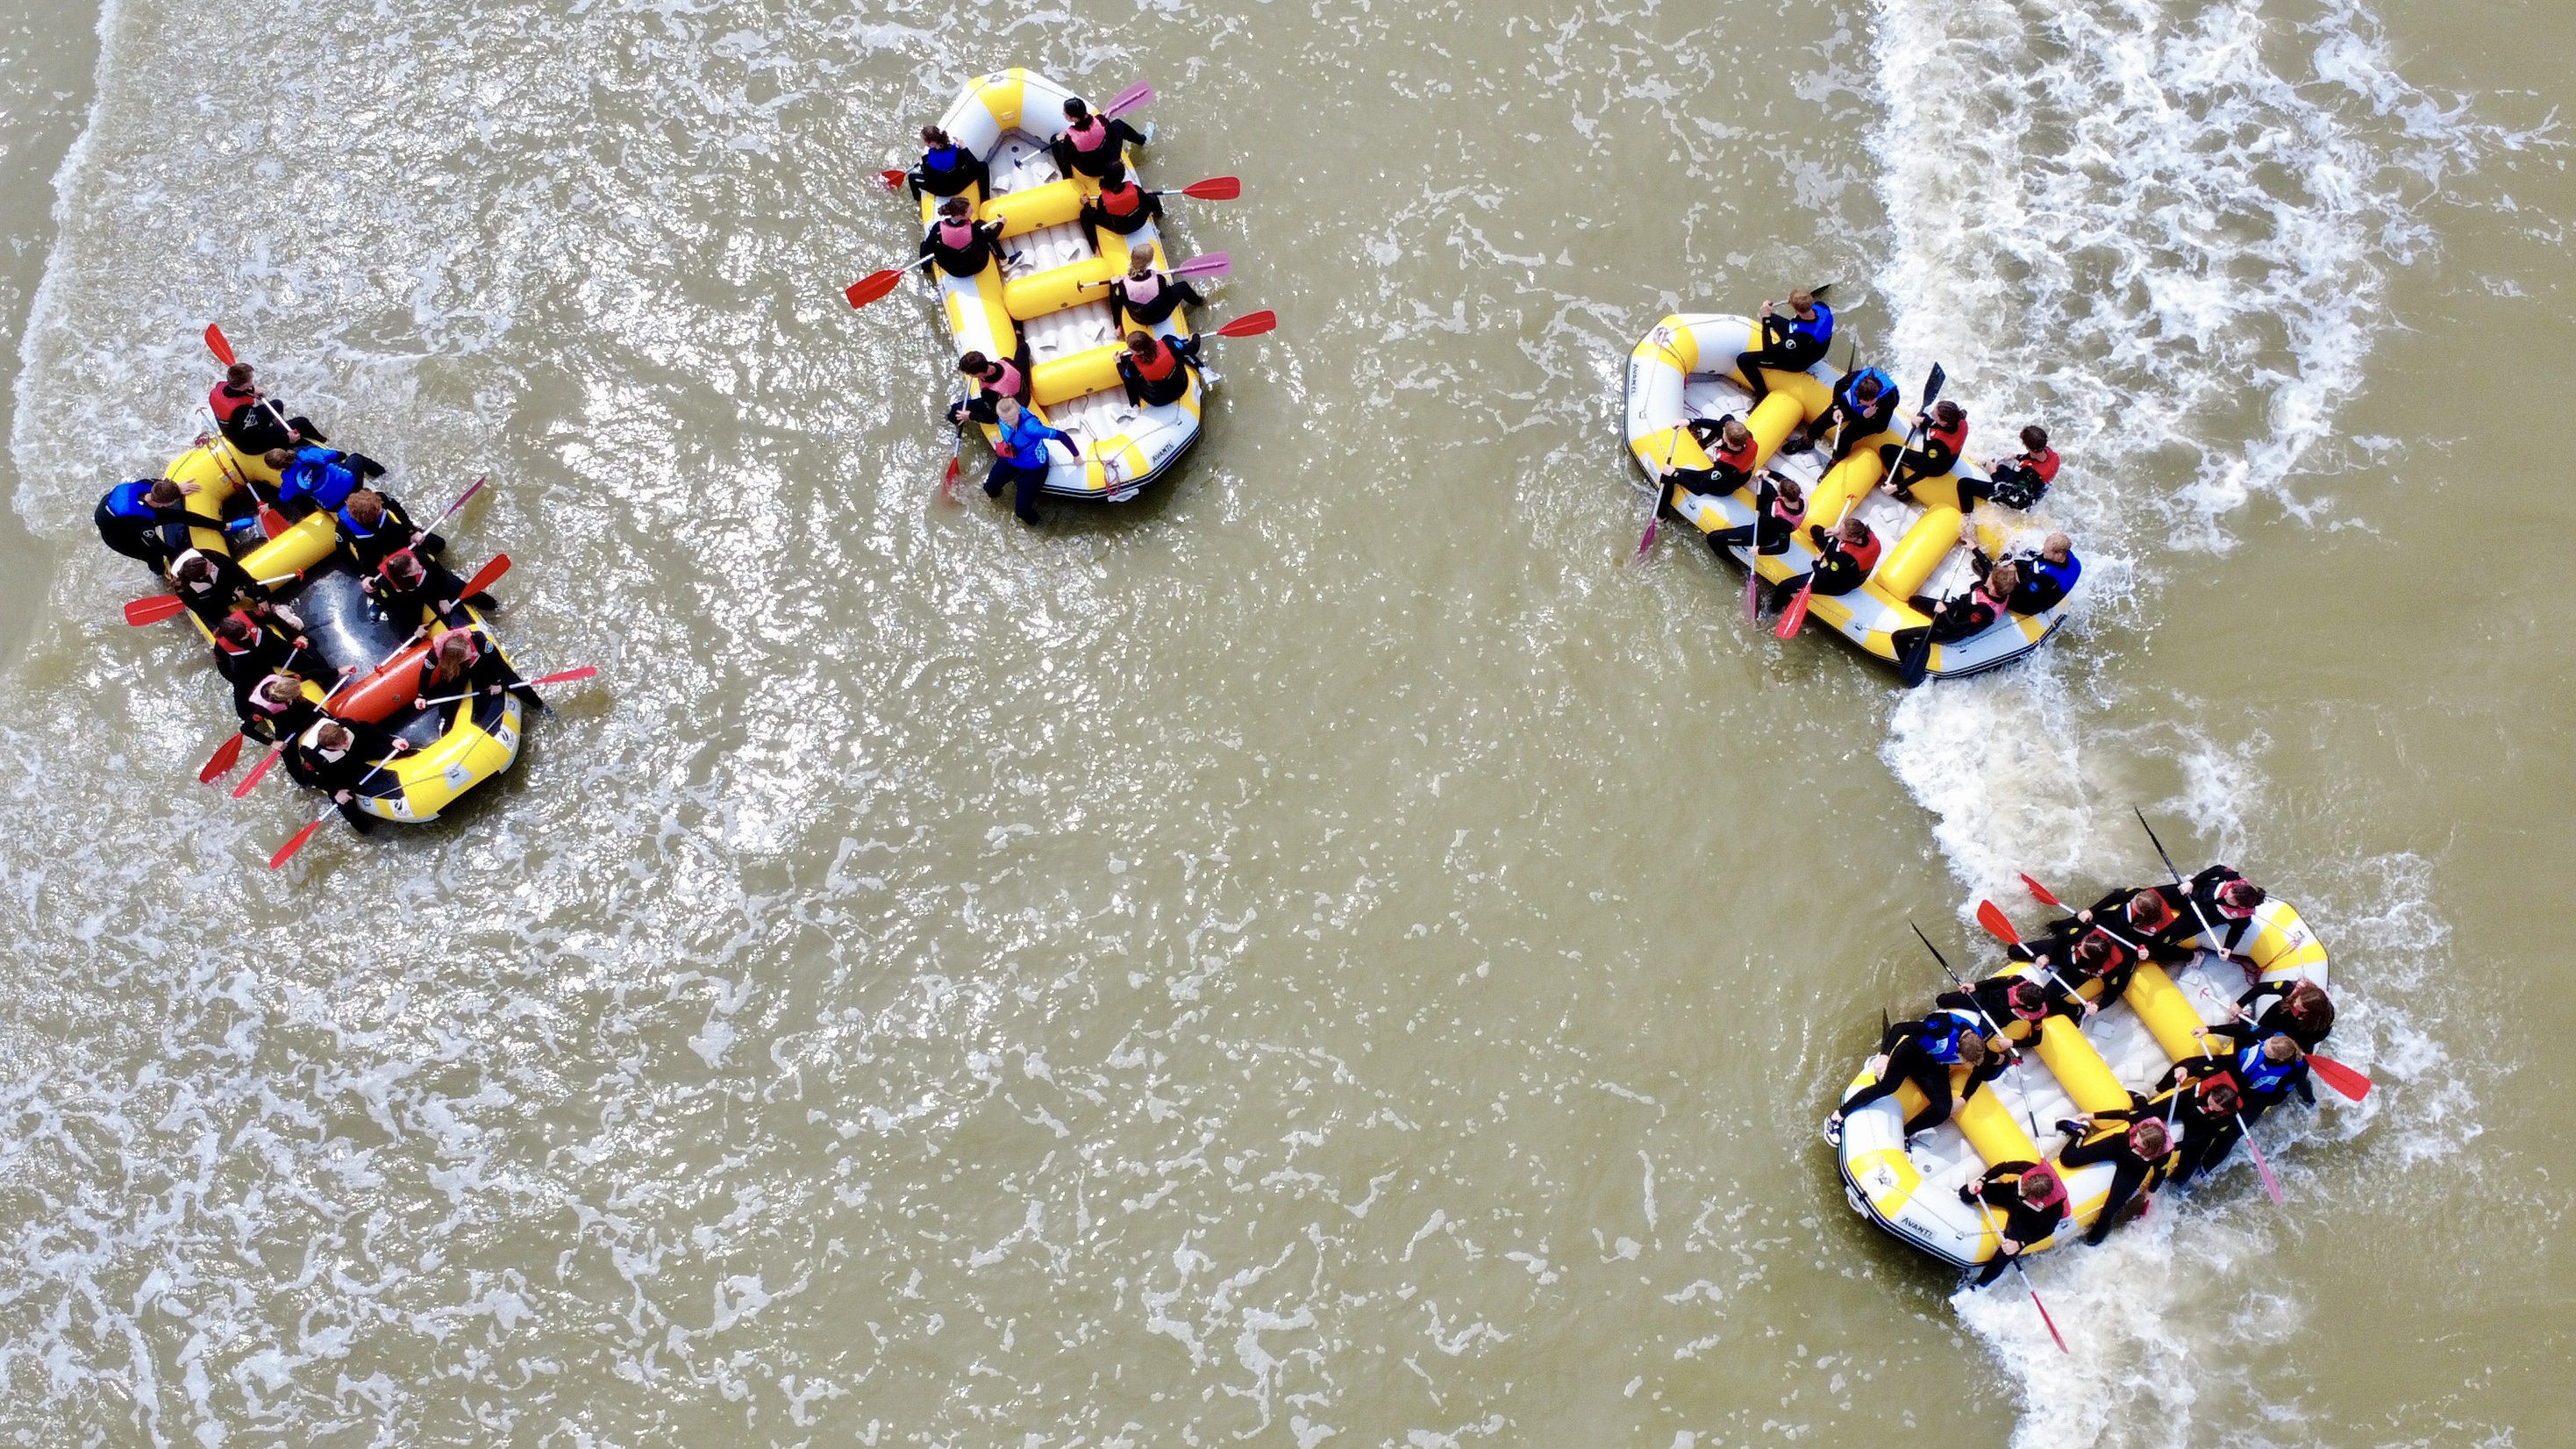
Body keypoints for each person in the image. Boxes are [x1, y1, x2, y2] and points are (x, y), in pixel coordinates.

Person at [1823, 1012, 2003, 1144]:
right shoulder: (1943, 1027)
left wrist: (1964, 1099)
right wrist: (1885, 1056)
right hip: (1911, 1051)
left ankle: (1905, 1134)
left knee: (1942, 1110)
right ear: (1958, 1047)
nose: (1967, 1066)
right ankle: (1837, 1116)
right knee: (1887, 1088)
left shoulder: (1976, 1043)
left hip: (1932, 1064)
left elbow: (1981, 1069)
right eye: (1965, 1061)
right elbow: (1900, 1028)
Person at [2052, 1112, 2180, 1244]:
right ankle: (2081, 1131)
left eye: (2140, 1141)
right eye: (2137, 1136)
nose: (2135, 1140)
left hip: (2134, 1169)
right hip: (2116, 1146)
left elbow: (2160, 1172)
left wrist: (2151, 1191)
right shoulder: (2142, 1124)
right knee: (2068, 1159)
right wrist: (2092, 1116)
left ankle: (2091, 1243)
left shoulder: (2162, 1154)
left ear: (2150, 1148)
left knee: (2109, 1212)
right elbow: (2122, 1114)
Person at [285, 717, 412, 833]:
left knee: (403, 750)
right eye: (340, 744)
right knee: (350, 811)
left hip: (359, 751)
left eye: (345, 739)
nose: (345, 743)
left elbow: (367, 726)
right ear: (328, 746)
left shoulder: (346, 725)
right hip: (337, 771)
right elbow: (310, 776)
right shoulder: (313, 756)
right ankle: (369, 832)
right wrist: (335, 792)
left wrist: (392, 740)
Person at [1959, 1160, 2070, 1285]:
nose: (2023, 1194)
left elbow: (2046, 1231)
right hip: (2009, 1195)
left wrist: (2020, 1244)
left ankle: (1979, 1285)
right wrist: (1982, 1180)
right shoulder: (2030, 1168)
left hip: (2027, 1219)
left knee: (2003, 1256)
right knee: (1965, 1193)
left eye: (2026, 1195)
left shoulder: (2055, 1207)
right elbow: (2003, 1167)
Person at [1888, 560, 2016, 663]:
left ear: (1993, 588)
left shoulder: (1982, 611)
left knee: (1898, 637)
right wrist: (1974, 548)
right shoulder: (2001, 591)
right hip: (1954, 610)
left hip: (1948, 629)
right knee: (1914, 601)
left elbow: (1955, 630)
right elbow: (1987, 569)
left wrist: (1943, 612)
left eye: (1990, 578)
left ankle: (1907, 664)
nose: (1988, 576)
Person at [1937, 974, 2090, 1053]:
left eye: (2018, 997)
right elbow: (1999, 981)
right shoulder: (2019, 981)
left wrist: (2012, 1043)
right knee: (1942, 1000)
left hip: (1996, 1019)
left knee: (1971, 1042)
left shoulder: (2036, 1014)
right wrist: (1975, 986)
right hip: (1985, 998)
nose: (2015, 994)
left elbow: (2036, 1040)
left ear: (2026, 1004)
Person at [1731, 291, 1833, 405]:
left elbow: (1768, 350)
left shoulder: (1798, 338)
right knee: (1772, 318)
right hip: (1812, 342)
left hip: (1798, 360)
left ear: (1796, 310)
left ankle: (1762, 394)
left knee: (1743, 360)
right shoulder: (1821, 307)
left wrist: (1765, 318)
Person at [1766, 516, 1883, 613]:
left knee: (1784, 587)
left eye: (1841, 532)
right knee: (1816, 530)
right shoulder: (1869, 535)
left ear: (1850, 537)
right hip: (1847, 567)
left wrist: (1816, 563)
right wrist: (1838, 532)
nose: (1838, 531)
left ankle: (1772, 611)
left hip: (1839, 583)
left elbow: (1824, 576)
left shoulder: (1844, 558)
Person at [412, 626, 531, 722]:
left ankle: (539, 705)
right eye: (468, 654)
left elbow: (497, 661)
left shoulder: (478, 641)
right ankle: (448, 722)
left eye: (470, 649)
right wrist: (421, 696)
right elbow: (425, 673)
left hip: (481, 662)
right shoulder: (436, 655)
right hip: (459, 669)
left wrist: (496, 682)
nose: (471, 653)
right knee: (448, 706)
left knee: (516, 683)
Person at [984, 397, 1070, 526]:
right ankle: (995, 510)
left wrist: (1077, 457)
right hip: (1011, 459)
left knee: (1022, 511)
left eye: (1012, 419)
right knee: (989, 488)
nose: (1009, 423)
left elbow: (1062, 436)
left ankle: (1039, 525)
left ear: (1019, 411)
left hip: (1033, 469)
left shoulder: (1032, 428)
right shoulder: (1001, 416)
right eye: (1005, 420)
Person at [209, 362, 325, 453]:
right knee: (302, 423)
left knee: (277, 404)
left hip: (239, 429)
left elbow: (237, 393)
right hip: (249, 444)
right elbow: (256, 440)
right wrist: (285, 438)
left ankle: (280, 427)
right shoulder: (243, 412)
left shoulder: (222, 387)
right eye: (251, 379)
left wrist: (252, 390)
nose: (252, 380)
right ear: (244, 385)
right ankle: (322, 443)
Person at [95, 476, 202, 573]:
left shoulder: (150, 483)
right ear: (162, 505)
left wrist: (177, 488)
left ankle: (218, 525)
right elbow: (160, 546)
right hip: (117, 535)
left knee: (179, 515)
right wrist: (182, 562)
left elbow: (165, 487)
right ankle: (160, 576)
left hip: (121, 509)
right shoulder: (143, 522)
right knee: (154, 556)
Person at [364, 548, 492, 626]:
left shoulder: (421, 558)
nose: (420, 567)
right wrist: (415, 629)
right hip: (409, 598)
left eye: (417, 565)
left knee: (473, 594)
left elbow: (439, 573)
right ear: (405, 575)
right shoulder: (387, 584)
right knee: (408, 632)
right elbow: (395, 606)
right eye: (416, 569)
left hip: (431, 583)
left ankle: (494, 607)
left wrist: (442, 597)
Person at [1968, 531, 2081, 614]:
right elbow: (2037, 562)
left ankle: (1984, 570)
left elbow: (2023, 592)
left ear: (2058, 555)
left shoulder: (2043, 577)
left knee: (2000, 580)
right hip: (2046, 588)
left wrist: (2011, 572)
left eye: (2046, 551)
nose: (2042, 551)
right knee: (2013, 561)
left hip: (2029, 604)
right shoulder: (2072, 560)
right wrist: (2016, 563)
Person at [1708, 474, 1806, 566]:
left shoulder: (1784, 522)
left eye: (1779, 490)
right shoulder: (1798, 495)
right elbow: (1783, 481)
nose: (1777, 488)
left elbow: (1783, 548)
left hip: (1763, 533)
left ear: (1783, 498)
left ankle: (1730, 562)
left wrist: (1759, 551)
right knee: (1765, 485)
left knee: (1713, 538)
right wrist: (1769, 473)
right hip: (1769, 517)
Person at [1957, 425, 2060, 513]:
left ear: (2029, 448)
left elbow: (2012, 496)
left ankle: (1968, 527)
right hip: (2033, 487)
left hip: (2019, 501)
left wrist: (1993, 473)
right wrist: (2017, 456)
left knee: (1964, 484)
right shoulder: (2049, 453)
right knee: (2001, 467)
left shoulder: (2031, 473)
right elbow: (2031, 457)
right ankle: (1986, 465)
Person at [335, 489, 441, 574]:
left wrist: (412, 531)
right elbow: (344, 553)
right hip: (370, 552)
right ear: (370, 517)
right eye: (379, 510)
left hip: (394, 536)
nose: (382, 509)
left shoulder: (379, 498)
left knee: (438, 543)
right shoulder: (343, 528)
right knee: (374, 586)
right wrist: (362, 576)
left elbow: (397, 509)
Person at [266, 444, 385, 518]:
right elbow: (339, 455)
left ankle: (308, 513)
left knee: (300, 495)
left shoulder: (289, 483)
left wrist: (269, 506)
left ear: (277, 469)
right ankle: (383, 474)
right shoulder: (309, 454)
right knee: (355, 457)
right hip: (352, 484)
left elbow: (282, 499)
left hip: (336, 505)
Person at [1880, 401, 1968, 499]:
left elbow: (1923, 472)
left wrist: (1896, 487)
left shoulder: (1935, 443)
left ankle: (1902, 492)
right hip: (1948, 453)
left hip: (1937, 466)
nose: (1932, 413)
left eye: (1935, 414)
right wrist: (1923, 420)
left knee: (1887, 451)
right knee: (1923, 415)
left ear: (1944, 422)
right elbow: (1934, 425)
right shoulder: (1961, 421)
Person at [1051, 96, 1148, 180]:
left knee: (1054, 140)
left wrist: (1062, 141)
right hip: (1112, 159)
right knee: (1118, 124)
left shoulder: (1069, 137)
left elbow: (1064, 159)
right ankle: (1142, 140)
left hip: (1091, 171)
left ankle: (1067, 175)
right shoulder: (1100, 120)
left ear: (1074, 119)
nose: (1063, 114)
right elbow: (1110, 135)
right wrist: (1105, 121)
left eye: (1066, 114)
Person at [1815, 366, 1899, 462]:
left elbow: (1881, 427)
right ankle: (1807, 440)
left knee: (1845, 437)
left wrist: (1867, 417)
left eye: (1872, 403)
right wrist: (1837, 408)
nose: (1870, 405)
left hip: (1869, 419)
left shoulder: (1889, 398)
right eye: (1866, 404)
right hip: (1850, 405)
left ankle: (1836, 460)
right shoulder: (1853, 378)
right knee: (1824, 419)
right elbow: (1838, 386)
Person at [2235, 978, 2334, 1053]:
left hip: (2300, 1033)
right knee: (2249, 1040)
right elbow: (2262, 988)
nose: (2295, 1005)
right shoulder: (2290, 988)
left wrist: (2296, 1047)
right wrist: (2239, 1004)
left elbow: (2319, 1036)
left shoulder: (2324, 1018)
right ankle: (2245, 1016)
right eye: (2296, 1000)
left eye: (2299, 1006)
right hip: (2278, 1017)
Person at [1104, 255, 1201, 327]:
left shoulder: (1122, 285)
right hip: (1161, 315)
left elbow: (1116, 305)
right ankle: (1199, 302)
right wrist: (1161, 278)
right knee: (1183, 286)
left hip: (1139, 319)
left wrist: (1114, 285)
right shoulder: (1158, 278)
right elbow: (1168, 295)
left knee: (1118, 295)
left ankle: (1118, 328)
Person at [920, 196, 1003, 278]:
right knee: (980, 225)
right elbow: (992, 236)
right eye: (970, 211)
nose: (973, 211)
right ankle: (1002, 258)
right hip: (979, 265)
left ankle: (927, 270)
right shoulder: (973, 228)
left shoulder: (938, 228)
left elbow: (927, 248)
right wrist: (1001, 224)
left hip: (956, 271)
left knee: (925, 245)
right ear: (960, 216)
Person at [1675, 416, 1759, 496]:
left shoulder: (1725, 466)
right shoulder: (1747, 437)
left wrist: (1675, 474)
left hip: (1723, 485)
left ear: (1729, 443)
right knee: (1727, 418)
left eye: (1724, 432)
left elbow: (1699, 489)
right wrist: (1690, 421)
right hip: (1738, 469)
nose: (1723, 429)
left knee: (1673, 474)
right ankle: (1702, 444)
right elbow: (1719, 425)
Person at [1080, 162, 1162, 245]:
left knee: (1084, 214)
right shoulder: (1136, 189)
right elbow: (1146, 199)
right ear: (1123, 176)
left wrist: (1086, 203)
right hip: (1140, 221)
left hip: (1120, 229)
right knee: (1151, 196)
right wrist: (1147, 193)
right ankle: (1159, 214)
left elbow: (1095, 215)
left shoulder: (1103, 199)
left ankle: (1094, 246)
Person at [1117, 329, 1198, 408]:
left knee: (1133, 379)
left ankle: (1134, 404)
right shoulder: (1168, 345)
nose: (1127, 350)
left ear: (1141, 352)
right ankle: (1200, 367)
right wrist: (1195, 336)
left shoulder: (1133, 364)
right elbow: (1194, 348)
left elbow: (1126, 378)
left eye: (1130, 349)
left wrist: (1118, 363)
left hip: (1158, 400)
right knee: (1172, 346)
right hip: (1182, 386)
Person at [948, 350, 1031, 426]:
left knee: (956, 408)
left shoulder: (989, 393)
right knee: (1022, 349)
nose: (969, 375)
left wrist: (970, 415)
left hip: (1014, 406)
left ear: (979, 374)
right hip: (1023, 393)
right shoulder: (1006, 361)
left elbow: (991, 418)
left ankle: (953, 421)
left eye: (969, 374)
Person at [237, 669, 321, 742]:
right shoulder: (263, 710)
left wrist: (334, 671)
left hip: (298, 707)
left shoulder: (286, 682)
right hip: (283, 722)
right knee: (290, 757)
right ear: (289, 698)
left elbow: (309, 674)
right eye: (298, 693)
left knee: (311, 707)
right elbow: (246, 729)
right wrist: (272, 742)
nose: (301, 693)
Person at [907, 125, 988, 199]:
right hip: (960, 184)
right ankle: (985, 199)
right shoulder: (956, 152)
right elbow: (975, 165)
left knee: (911, 177)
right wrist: (964, 148)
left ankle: (918, 199)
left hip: (943, 191)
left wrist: (923, 168)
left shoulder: (927, 159)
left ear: (931, 144)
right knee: (983, 166)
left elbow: (929, 180)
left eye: (924, 141)